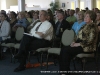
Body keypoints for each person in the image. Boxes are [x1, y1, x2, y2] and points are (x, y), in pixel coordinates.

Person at [59, 10, 98, 75]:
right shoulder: (84, 25)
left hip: (87, 47)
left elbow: (90, 40)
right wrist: (73, 42)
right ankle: (63, 71)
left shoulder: (93, 26)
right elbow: (77, 36)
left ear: (92, 18)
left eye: (87, 16)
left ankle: (65, 72)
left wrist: (78, 44)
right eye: (85, 16)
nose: (85, 18)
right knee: (63, 49)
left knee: (66, 51)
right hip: (79, 44)